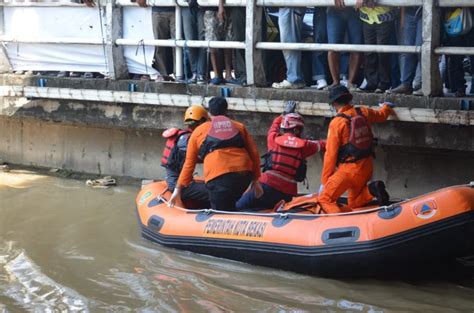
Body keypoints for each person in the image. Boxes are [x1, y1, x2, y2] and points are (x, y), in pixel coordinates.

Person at [169, 97, 262, 211]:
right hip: (244, 176)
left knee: (220, 212)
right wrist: (255, 180)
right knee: (230, 203)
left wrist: (178, 189)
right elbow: (254, 153)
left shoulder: (199, 131)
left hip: (218, 178)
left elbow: (189, 164)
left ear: (209, 113)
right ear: (226, 111)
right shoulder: (239, 126)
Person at [236, 101, 326, 211]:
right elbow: (323, 144)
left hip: (266, 185)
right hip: (287, 192)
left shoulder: (273, 139)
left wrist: (284, 114)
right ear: (297, 129)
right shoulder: (305, 145)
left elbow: (274, 126)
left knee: (239, 207)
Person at [319, 85, 394, 214]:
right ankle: (372, 190)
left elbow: (330, 155)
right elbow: (381, 115)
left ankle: (339, 224)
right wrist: (387, 107)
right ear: (348, 99)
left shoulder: (336, 123)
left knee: (324, 199)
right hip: (366, 167)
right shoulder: (363, 112)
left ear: (334, 103)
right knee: (353, 203)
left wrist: (325, 181)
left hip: (348, 171)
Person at [161, 105, 210, 209]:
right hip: (179, 185)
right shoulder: (185, 139)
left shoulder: (183, 136)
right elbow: (196, 156)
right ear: (201, 122)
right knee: (216, 192)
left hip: (179, 182)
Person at [357, 0, 397, 93]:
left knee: (382, 52)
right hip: (367, 16)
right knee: (369, 52)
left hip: (384, 16)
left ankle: (384, 83)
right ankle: (371, 82)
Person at [327, 0, 363, 90]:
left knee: (356, 47)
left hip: (356, 9)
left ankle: (350, 82)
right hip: (334, 9)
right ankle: (335, 82)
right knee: (332, 47)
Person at [137, 0, 175, 81]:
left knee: (177, 45)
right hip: (158, 9)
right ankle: (163, 74)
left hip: (177, 9)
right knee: (159, 45)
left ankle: (178, 74)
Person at [390, 6, 422, 95]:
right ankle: (406, 84)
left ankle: (424, 84)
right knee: (408, 49)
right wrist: (403, 16)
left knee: (421, 48)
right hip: (409, 10)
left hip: (425, 10)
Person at [272, 7, 306, 89]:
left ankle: (294, 79)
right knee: (289, 42)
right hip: (289, 7)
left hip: (290, 7)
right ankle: (295, 78)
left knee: (289, 42)